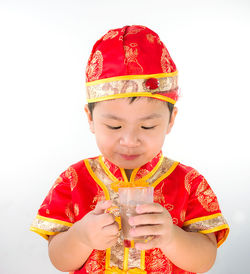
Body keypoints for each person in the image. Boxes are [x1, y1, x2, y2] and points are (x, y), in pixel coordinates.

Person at [30, 25, 229, 274]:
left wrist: (172, 238)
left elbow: (206, 259)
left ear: (171, 120)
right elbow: (59, 260)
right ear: (90, 119)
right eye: (114, 126)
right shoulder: (74, 180)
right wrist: (80, 237)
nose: (129, 140)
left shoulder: (189, 182)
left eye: (147, 126)